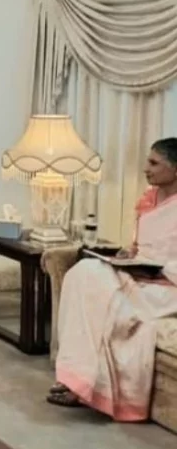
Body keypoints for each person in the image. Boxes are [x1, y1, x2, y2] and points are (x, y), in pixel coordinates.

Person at [47, 137, 177, 421]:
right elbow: (144, 245)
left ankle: (86, 386)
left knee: (103, 295)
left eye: (154, 163)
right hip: (139, 274)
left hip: (166, 288)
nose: (146, 168)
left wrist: (159, 268)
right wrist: (130, 255)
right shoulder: (150, 200)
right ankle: (77, 378)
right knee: (82, 273)